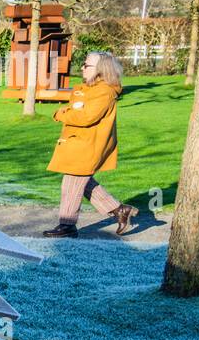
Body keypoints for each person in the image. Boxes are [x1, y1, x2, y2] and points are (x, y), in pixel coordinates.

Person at [42, 51, 138, 238]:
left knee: (71, 184)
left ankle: (67, 225)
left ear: (101, 70)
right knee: (81, 183)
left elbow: (86, 116)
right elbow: (78, 109)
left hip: (88, 144)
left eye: (87, 66)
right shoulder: (90, 89)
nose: (82, 68)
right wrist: (71, 110)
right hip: (78, 141)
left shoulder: (104, 91)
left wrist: (61, 113)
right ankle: (119, 210)